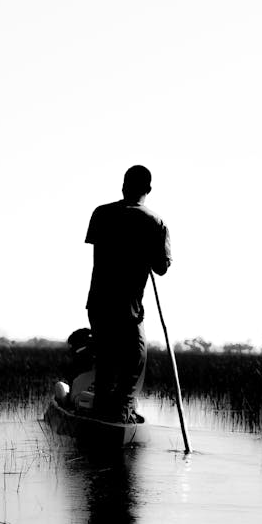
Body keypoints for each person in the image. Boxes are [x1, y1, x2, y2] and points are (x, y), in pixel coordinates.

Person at [85, 165, 171, 422]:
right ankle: (121, 415)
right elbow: (162, 268)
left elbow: (98, 248)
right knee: (135, 359)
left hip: (98, 304)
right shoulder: (156, 223)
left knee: (106, 363)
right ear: (149, 190)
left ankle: (102, 415)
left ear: (123, 186)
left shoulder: (101, 214)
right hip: (128, 309)